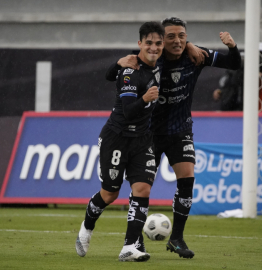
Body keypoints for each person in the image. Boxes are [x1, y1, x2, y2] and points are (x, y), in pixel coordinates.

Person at [105, 17, 241, 259]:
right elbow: (113, 75)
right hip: (149, 134)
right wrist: (118, 63)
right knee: (142, 187)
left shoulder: (195, 55)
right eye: (170, 37)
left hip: (180, 130)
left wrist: (231, 46)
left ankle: (176, 238)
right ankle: (135, 241)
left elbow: (234, 63)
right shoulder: (148, 61)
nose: (177, 41)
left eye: (182, 36)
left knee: (187, 177)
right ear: (160, 41)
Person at [75, 21, 164, 262]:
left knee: (142, 188)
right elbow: (128, 111)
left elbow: (107, 75)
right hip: (117, 138)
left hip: (142, 139)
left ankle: (130, 247)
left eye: (158, 43)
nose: (154, 47)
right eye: (149, 43)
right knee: (109, 194)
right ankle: (86, 227)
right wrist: (145, 98)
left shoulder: (160, 65)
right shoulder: (130, 70)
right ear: (139, 44)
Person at [213, 42, 262, 112]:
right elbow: (238, 86)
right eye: (256, 53)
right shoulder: (249, 69)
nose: (259, 57)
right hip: (259, 113)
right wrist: (222, 91)